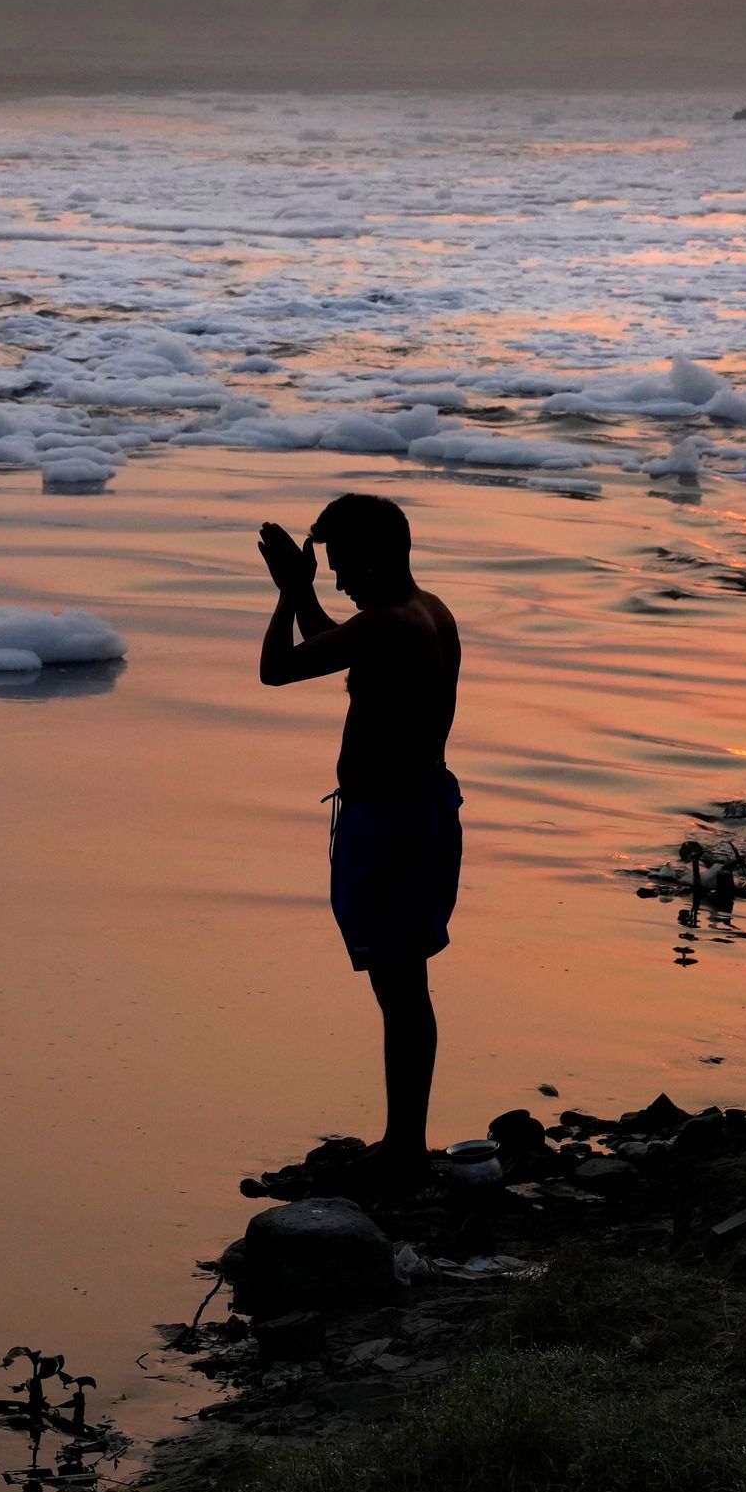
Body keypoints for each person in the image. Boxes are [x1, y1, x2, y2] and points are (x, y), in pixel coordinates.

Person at [256, 492, 462, 1178]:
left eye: (344, 568)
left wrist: (288, 594)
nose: (337, 581)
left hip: (393, 822)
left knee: (399, 987)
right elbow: (334, 645)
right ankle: (405, 1138)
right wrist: (306, 593)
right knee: (404, 983)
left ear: (376, 558)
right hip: (418, 808)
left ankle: (406, 1145)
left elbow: (279, 667)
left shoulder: (389, 625)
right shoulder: (423, 611)